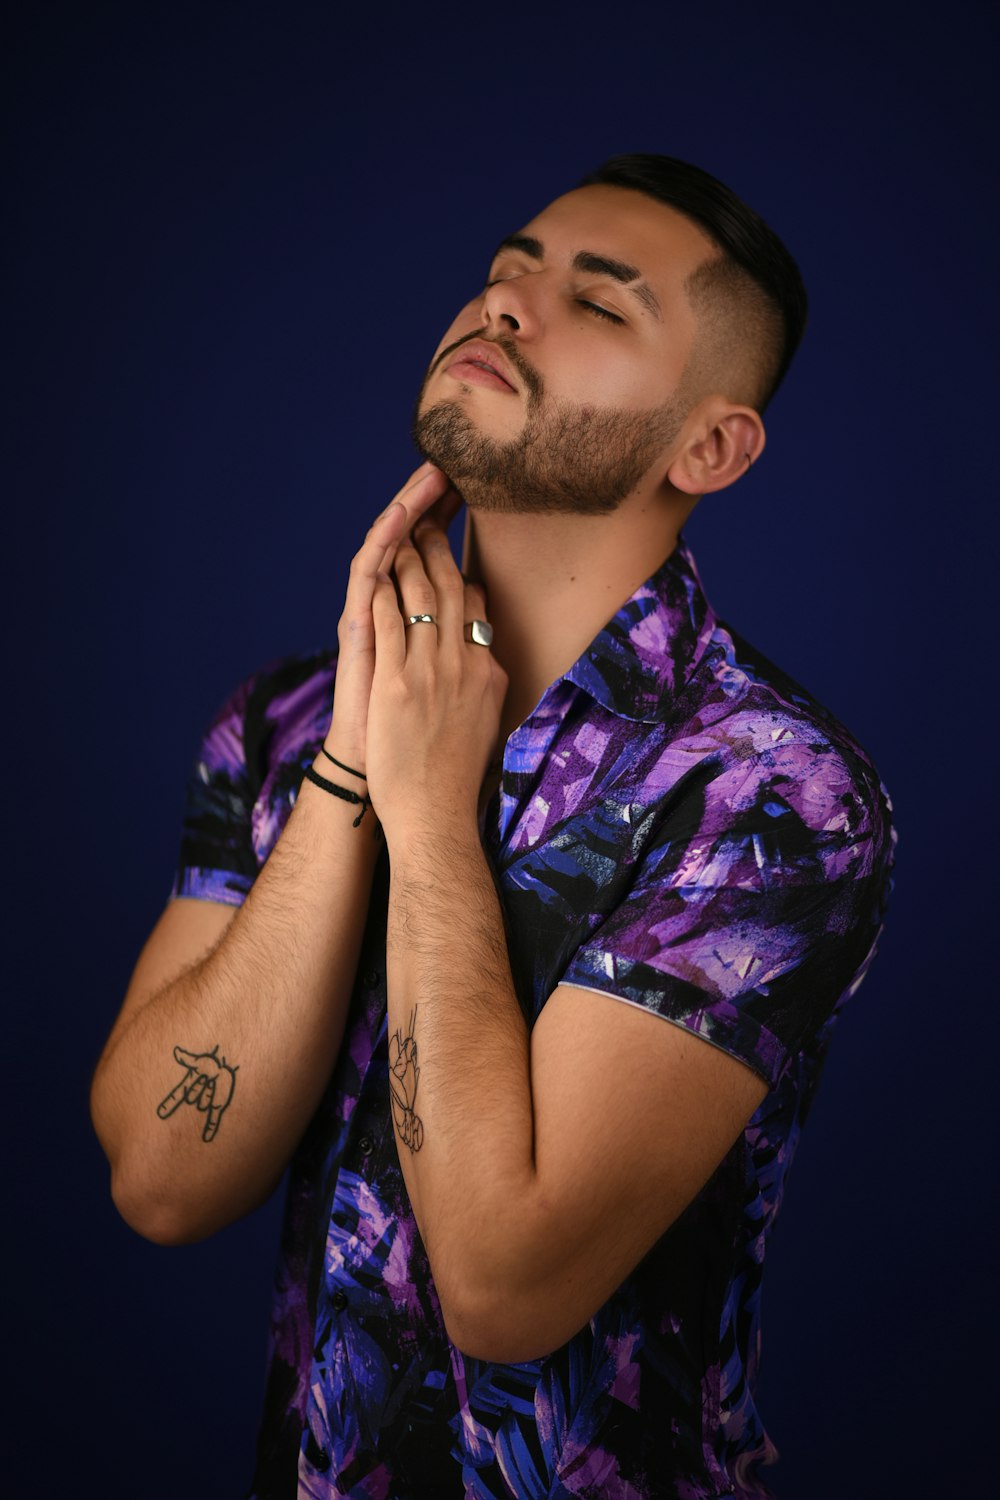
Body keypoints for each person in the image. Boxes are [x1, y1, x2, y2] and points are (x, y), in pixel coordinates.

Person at [91, 153, 895, 1498]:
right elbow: (162, 1181)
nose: (507, 303)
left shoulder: (770, 793)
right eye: (508, 266)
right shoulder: (284, 725)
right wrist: (356, 764)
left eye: (602, 301)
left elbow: (503, 1285)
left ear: (708, 445)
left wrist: (427, 814)